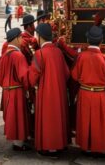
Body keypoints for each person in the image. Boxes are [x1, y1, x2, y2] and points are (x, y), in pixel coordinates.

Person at [70, 25, 105, 157]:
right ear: (101, 41)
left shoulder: (81, 56)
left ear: (87, 40)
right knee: (100, 121)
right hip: (100, 94)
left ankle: (86, 147)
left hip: (84, 93)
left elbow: (74, 75)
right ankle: (100, 148)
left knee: (85, 120)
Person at [27, 22, 68, 159]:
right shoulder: (58, 52)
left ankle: (48, 147)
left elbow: (32, 78)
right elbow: (67, 74)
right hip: (60, 93)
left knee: (48, 120)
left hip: (46, 93)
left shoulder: (39, 54)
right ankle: (58, 145)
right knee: (57, 118)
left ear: (39, 36)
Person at [0, 28, 32, 152]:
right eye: (21, 38)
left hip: (7, 91)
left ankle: (16, 142)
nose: (22, 40)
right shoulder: (18, 55)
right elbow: (24, 76)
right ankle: (18, 144)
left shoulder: (5, 55)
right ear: (17, 38)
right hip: (17, 91)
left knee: (12, 117)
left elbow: (0, 78)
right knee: (18, 117)